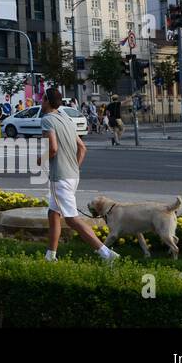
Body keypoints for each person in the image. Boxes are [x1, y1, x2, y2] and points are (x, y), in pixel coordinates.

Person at [38, 87, 118, 263]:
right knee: (53, 213)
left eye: (42, 99)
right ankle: (50, 256)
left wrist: (40, 159)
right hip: (73, 175)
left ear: (46, 101)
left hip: (60, 176)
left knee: (72, 219)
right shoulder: (66, 119)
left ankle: (107, 254)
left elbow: (52, 148)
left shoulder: (47, 120)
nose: (40, 102)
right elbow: (82, 148)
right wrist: (74, 167)